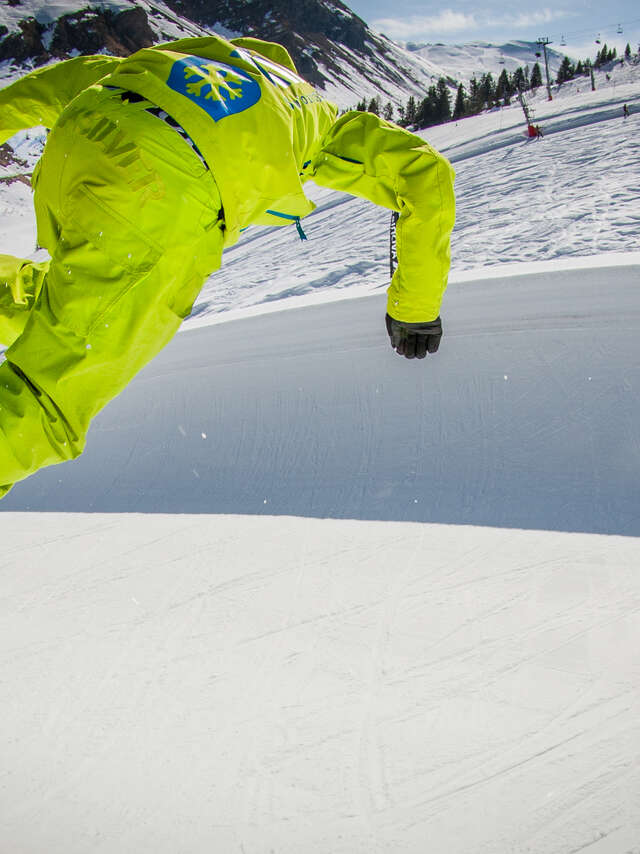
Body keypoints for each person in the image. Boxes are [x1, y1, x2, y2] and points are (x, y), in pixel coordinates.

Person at [0, 35, 455, 498]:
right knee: (51, 397)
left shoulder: (189, 61)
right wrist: (415, 309)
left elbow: (48, 86)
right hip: (160, 192)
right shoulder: (313, 115)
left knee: (75, 306)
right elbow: (426, 172)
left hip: (80, 141)